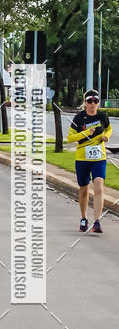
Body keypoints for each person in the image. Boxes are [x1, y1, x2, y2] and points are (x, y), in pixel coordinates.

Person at [67, 89, 112, 233]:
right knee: (84, 190)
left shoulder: (102, 116)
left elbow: (109, 129)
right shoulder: (79, 118)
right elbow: (70, 138)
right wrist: (86, 132)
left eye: (96, 101)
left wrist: (106, 136)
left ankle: (97, 221)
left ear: (98, 103)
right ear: (85, 103)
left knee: (99, 186)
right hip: (82, 159)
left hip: (99, 158)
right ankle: (84, 218)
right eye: (90, 101)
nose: (93, 104)